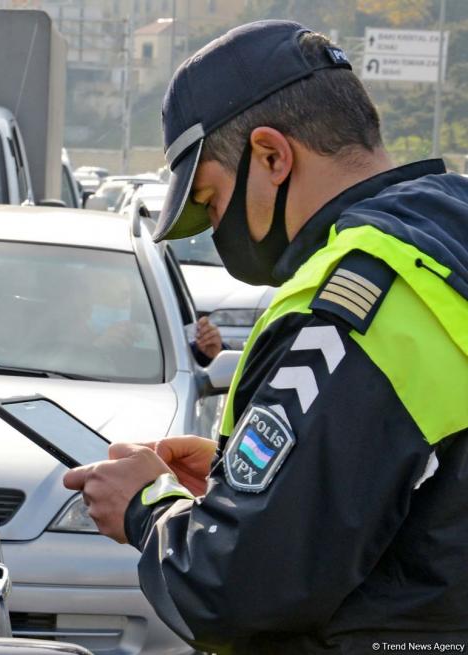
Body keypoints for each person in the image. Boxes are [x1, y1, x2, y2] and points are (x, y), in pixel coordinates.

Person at [63, 21, 467, 653]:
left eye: (210, 199)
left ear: (273, 157)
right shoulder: (444, 247)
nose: (215, 226)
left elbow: (232, 587)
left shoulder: (354, 302)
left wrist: (146, 505)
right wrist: (247, 479)